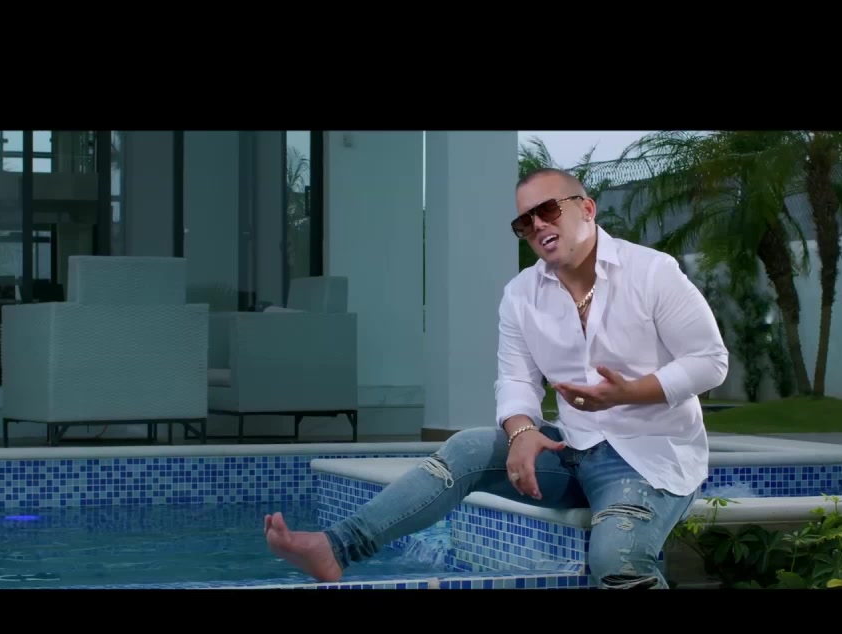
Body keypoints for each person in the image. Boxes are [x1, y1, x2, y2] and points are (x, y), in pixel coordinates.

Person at [264, 167, 729, 588]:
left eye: (548, 210)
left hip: (648, 459)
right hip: (573, 450)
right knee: (466, 449)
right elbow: (516, 382)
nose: (538, 225)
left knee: (616, 560)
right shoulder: (521, 295)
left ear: (587, 209)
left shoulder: (652, 272)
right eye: (525, 221)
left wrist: (631, 392)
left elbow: (710, 360)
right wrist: (522, 432)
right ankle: (337, 548)